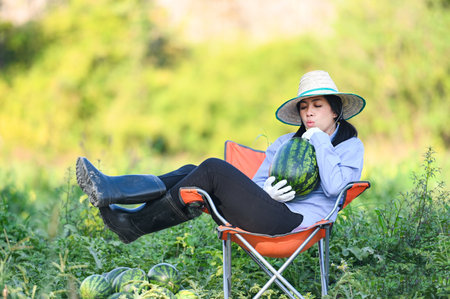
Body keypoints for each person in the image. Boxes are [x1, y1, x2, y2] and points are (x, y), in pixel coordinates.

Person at [76, 70, 366, 244]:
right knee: (192, 170)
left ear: (335, 111)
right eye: (304, 107)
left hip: (298, 225)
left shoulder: (350, 146)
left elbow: (335, 188)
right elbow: (258, 182)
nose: (309, 113)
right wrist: (267, 192)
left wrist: (320, 142)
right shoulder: (284, 143)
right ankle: (116, 193)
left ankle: (132, 224)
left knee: (212, 169)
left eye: (317, 105)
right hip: (268, 211)